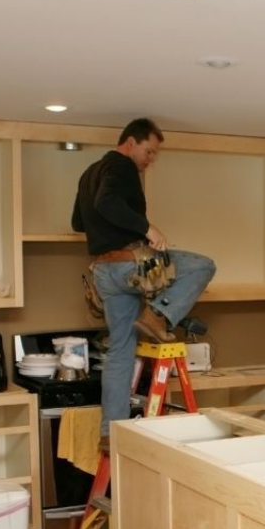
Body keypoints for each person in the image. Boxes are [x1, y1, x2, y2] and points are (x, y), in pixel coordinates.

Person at [72, 117, 216, 441]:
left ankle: (111, 432)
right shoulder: (121, 166)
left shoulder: (88, 174)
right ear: (131, 143)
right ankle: (159, 316)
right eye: (148, 152)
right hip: (129, 265)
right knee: (203, 265)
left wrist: (106, 229)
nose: (150, 160)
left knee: (120, 351)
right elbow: (106, 202)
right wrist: (147, 229)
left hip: (103, 273)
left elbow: (79, 221)